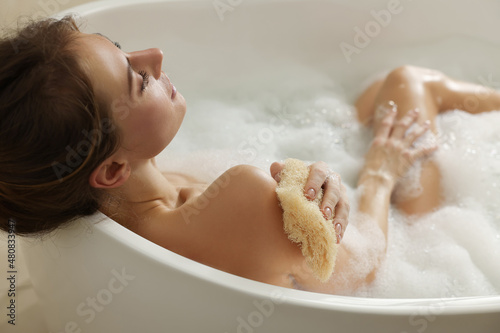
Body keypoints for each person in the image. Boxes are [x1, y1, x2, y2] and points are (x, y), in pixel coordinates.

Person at [1, 16, 500, 294]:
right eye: (139, 79)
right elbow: (366, 266)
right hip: (410, 238)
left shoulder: (108, 199)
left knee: (375, 97)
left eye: (119, 45)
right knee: (408, 83)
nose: (153, 54)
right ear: (110, 169)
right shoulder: (241, 197)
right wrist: (381, 172)